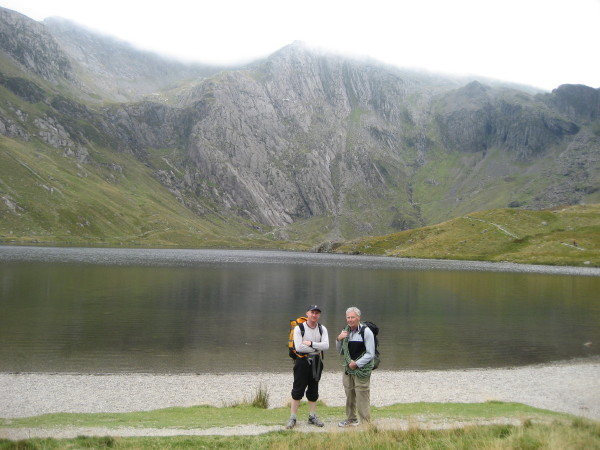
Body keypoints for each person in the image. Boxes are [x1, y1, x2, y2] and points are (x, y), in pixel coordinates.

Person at [286, 305, 329, 429]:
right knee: (298, 389)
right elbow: (299, 347)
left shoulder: (322, 329)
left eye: (317, 313)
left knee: (314, 388)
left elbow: (326, 346)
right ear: (307, 313)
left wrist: (311, 344)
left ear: (319, 315)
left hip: (317, 361)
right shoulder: (299, 328)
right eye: (312, 312)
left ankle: (312, 416)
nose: (314, 315)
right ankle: (293, 417)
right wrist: (317, 346)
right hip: (302, 361)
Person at [336, 306, 375, 427]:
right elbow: (340, 352)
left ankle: (365, 422)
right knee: (349, 394)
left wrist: (356, 364)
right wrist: (338, 339)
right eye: (348, 317)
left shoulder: (366, 331)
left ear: (358, 318)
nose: (350, 320)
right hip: (348, 369)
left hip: (361, 369)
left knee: (362, 394)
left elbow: (370, 353)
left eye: (353, 317)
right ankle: (351, 419)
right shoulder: (345, 331)